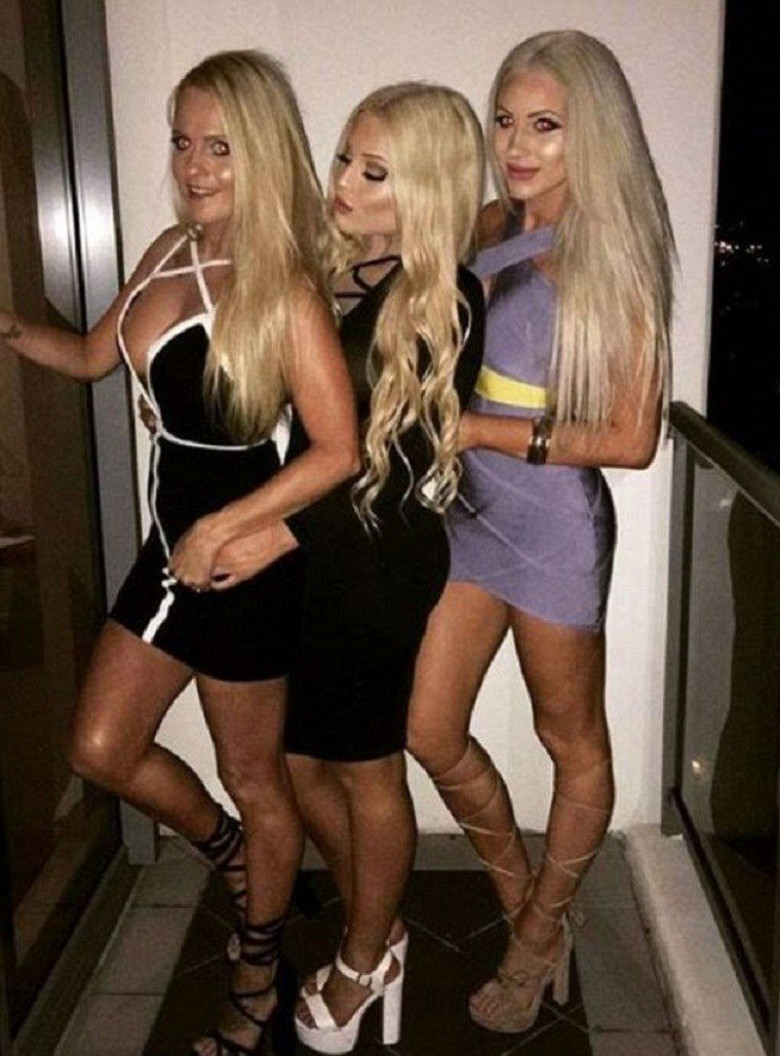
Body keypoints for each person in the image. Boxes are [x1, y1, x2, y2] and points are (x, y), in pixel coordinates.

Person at [0, 50, 358, 1056]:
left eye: (220, 147)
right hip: (169, 551)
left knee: (254, 772)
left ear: (263, 154)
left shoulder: (283, 285)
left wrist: (223, 528)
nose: (194, 166)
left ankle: (257, 972)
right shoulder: (167, 249)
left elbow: (339, 451)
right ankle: (234, 857)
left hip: (245, 566)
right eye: (182, 143)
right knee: (100, 748)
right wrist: (10, 326)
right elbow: (91, 356)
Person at [405, 29, 675, 1034]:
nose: (517, 145)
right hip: (469, 510)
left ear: (589, 133)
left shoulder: (613, 253)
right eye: (506, 121)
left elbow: (634, 437)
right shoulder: (487, 222)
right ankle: (531, 901)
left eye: (546, 125)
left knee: (571, 739)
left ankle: (532, 943)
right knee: (427, 727)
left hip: (554, 522)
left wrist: (477, 428)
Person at [212, 82, 485, 1053]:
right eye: (345, 159)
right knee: (298, 762)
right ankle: (382, 913)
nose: (344, 184)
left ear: (427, 189)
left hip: (376, 564)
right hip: (317, 557)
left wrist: (276, 534)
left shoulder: (444, 297)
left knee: (370, 770)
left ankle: (367, 959)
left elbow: (399, 462)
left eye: (377, 173)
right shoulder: (333, 271)